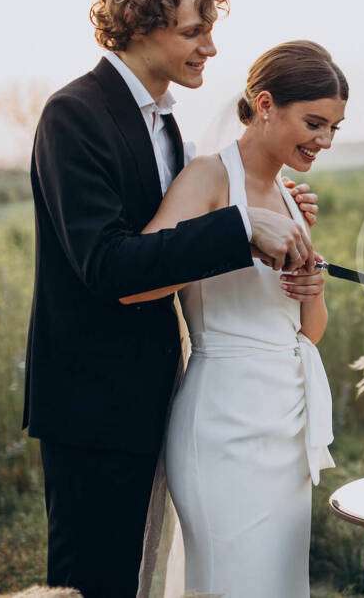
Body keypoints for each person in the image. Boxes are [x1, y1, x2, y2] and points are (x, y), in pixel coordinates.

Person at [23, 0, 320, 597]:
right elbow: (108, 265)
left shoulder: (164, 127)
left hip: (160, 396)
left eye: (209, 30)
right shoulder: (74, 115)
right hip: (92, 406)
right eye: (193, 32)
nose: (210, 48)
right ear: (139, 23)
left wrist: (271, 206)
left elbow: (176, 234)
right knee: (92, 585)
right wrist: (241, 227)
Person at [123, 40, 344, 596]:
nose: (324, 140)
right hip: (224, 425)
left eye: (334, 128)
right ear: (265, 105)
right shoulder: (207, 177)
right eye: (314, 123)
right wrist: (236, 234)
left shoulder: (291, 200)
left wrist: (312, 291)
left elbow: (306, 334)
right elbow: (139, 281)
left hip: (287, 421)